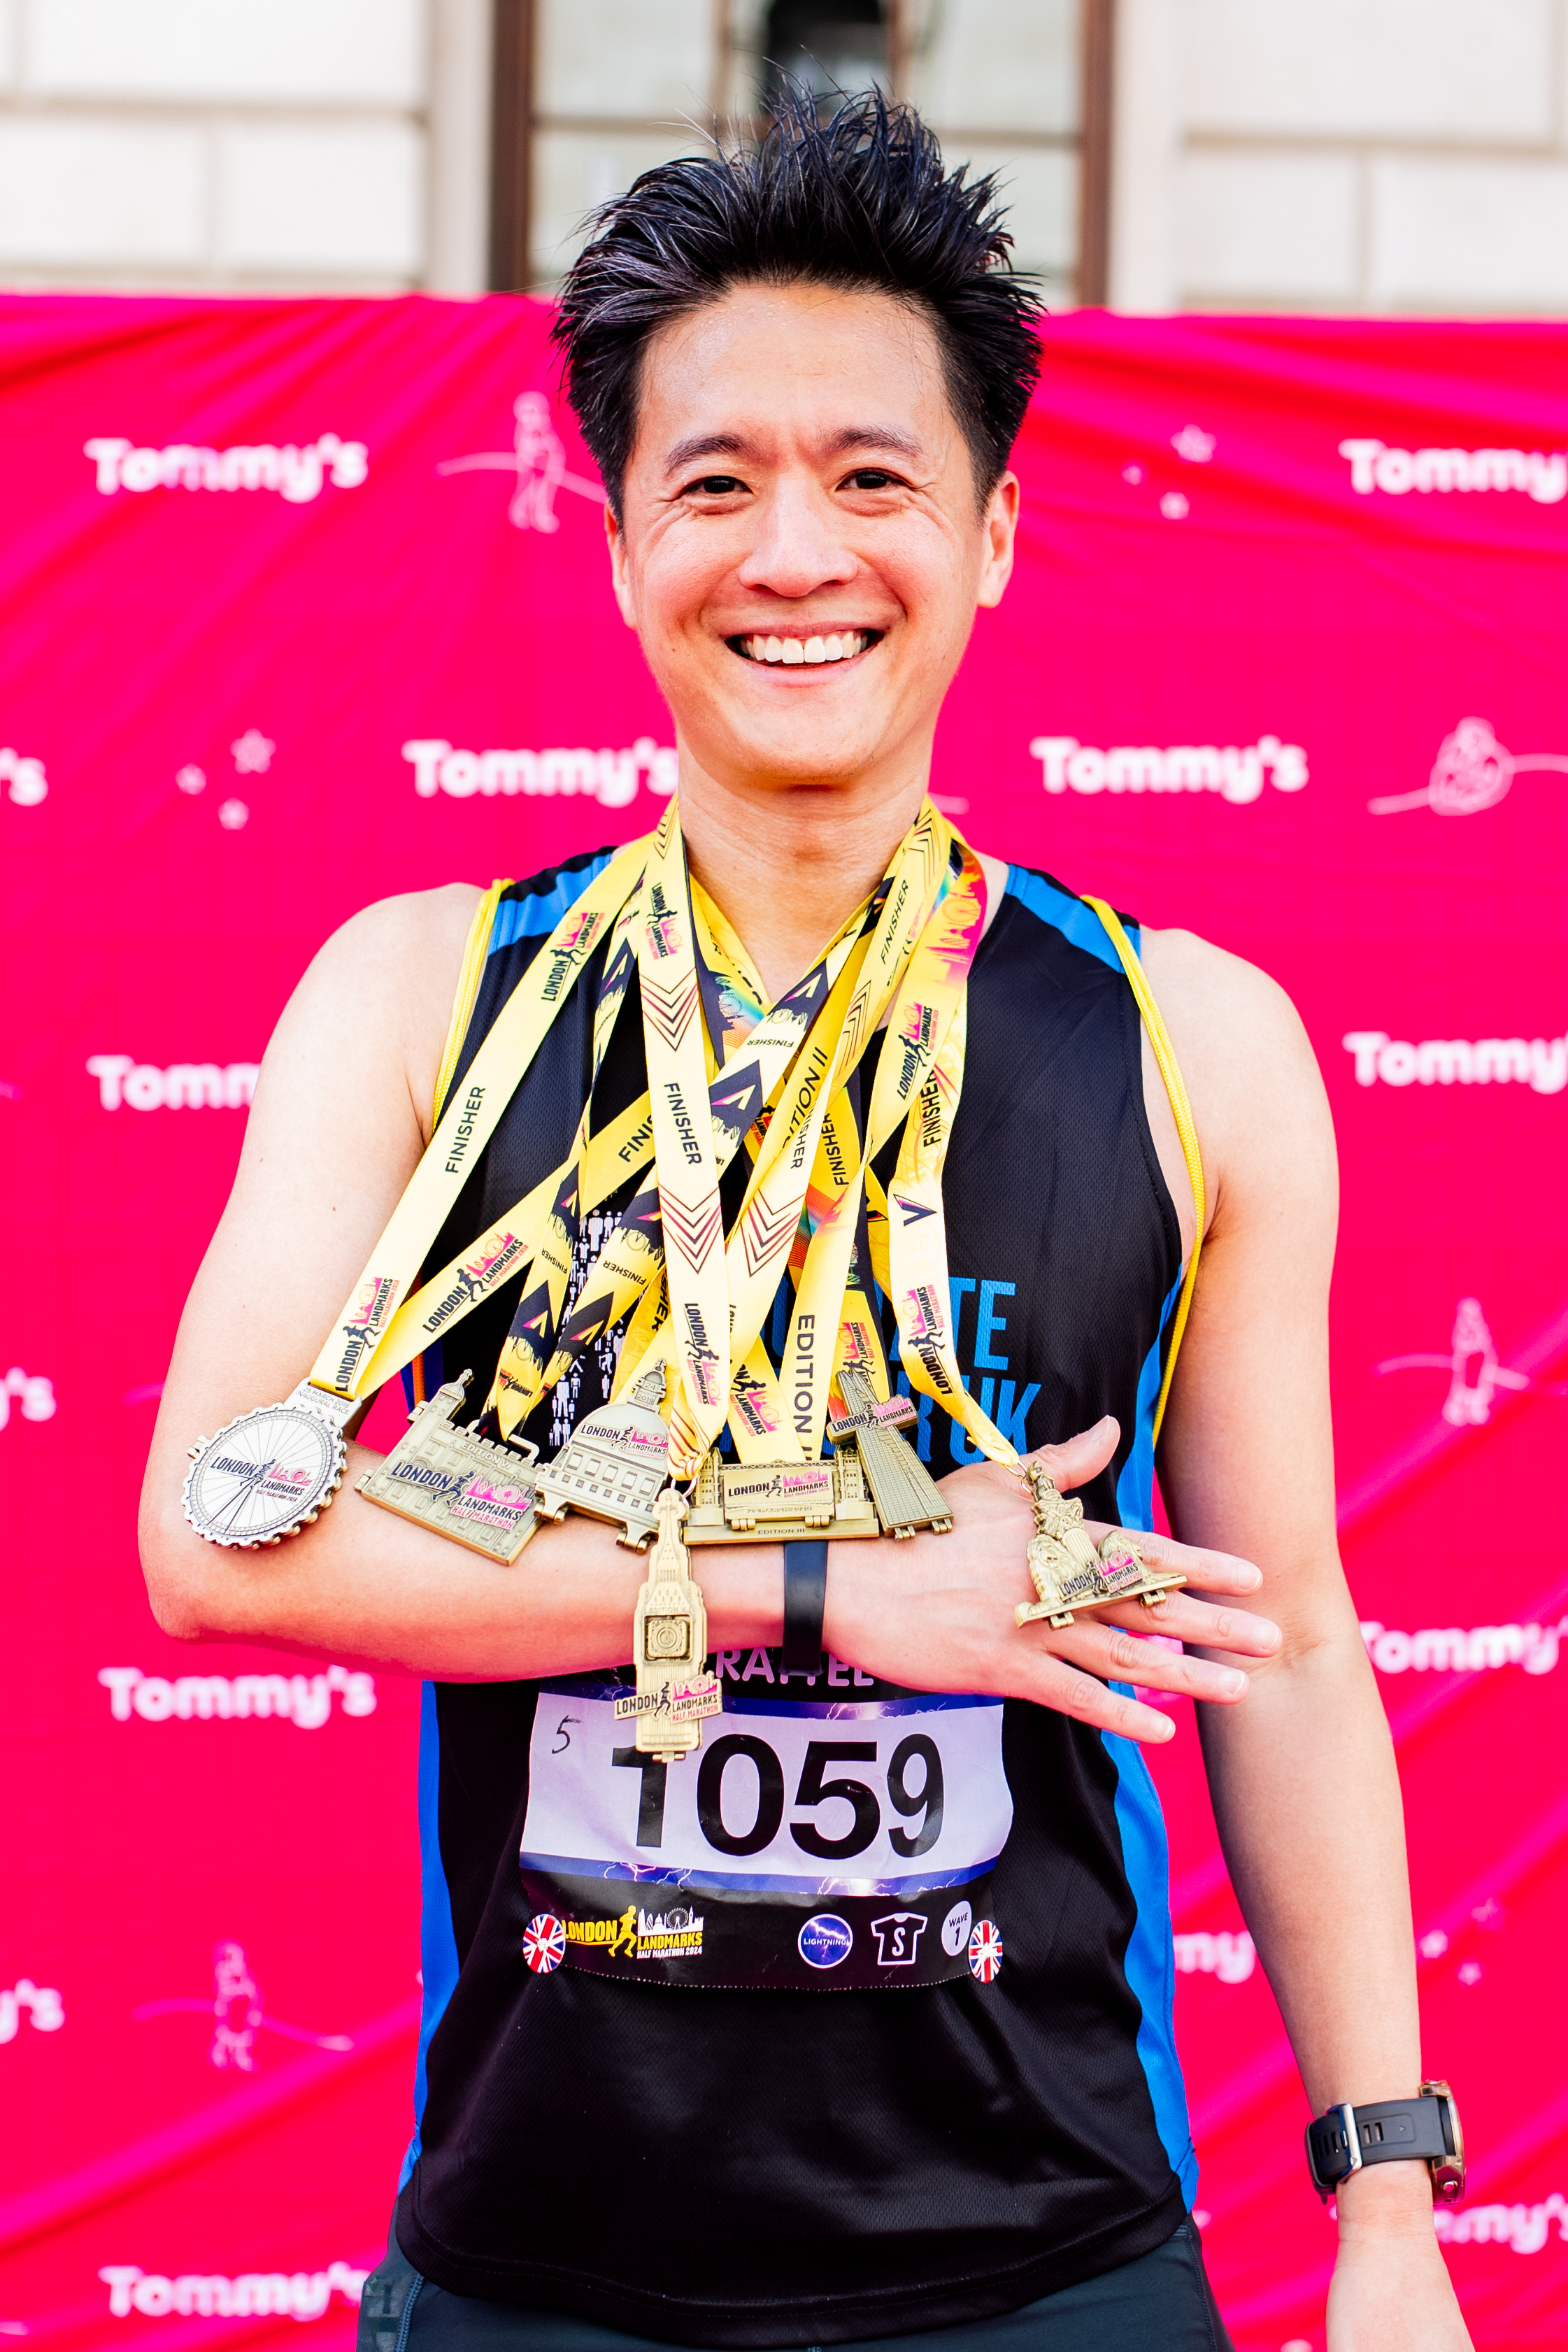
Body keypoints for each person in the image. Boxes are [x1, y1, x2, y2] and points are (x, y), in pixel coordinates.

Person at [141, 92, 1471, 2352]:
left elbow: (1292, 1646)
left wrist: (1385, 2200)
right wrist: (827, 1589)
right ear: (615, 538)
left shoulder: (1189, 1038)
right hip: (539, 2265)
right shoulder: (424, 994)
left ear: (992, 533)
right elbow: (211, 1535)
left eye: (871, 479)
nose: (793, 553)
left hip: (1046, 2259)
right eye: (714, 483)